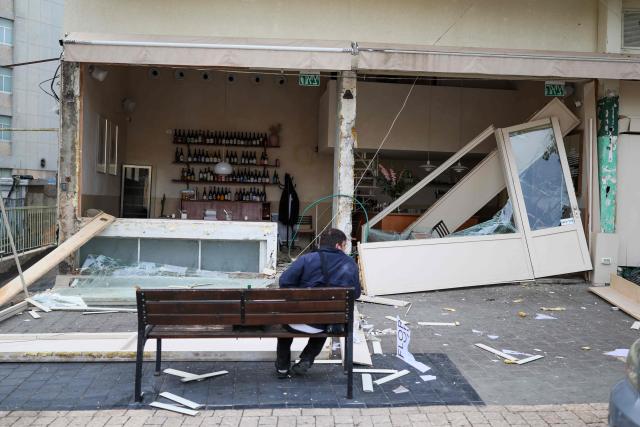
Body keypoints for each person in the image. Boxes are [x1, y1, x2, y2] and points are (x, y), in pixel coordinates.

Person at [275, 228, 361, 378]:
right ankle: (307, 359)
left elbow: (284, 282)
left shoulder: (306, 259)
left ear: (321, 244)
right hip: (327, 324)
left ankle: (282, 366)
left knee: (285, 320)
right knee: (328, 318)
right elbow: (356, 294)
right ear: (339, 245)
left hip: (294, 322)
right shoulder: (350, 264)